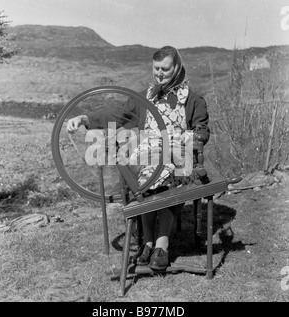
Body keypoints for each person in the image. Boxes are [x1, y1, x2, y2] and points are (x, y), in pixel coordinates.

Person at [67, 46, 210, 270]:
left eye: (165, 69)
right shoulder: (145, 97)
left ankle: (161, 244)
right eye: (156, 69)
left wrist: (187, 138)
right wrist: (85, 118)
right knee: (145, 176)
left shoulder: (191, 99)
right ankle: (148, 243)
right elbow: (117, 113)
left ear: (177, 67)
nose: (160, 73)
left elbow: (202, 130)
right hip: (148, 154)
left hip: (179, 155)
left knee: (164, 175)